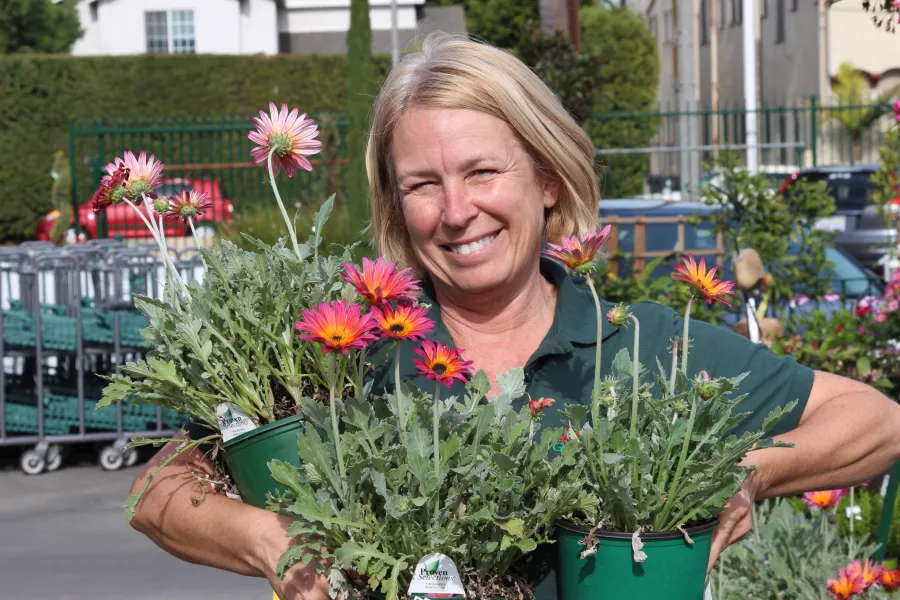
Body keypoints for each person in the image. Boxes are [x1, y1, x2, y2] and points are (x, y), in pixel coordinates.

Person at [128, 33, 900, 600]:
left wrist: (742, 476)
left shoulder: (641, 346)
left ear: (547, 180)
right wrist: (273, 541)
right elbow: (161, 489)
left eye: (482, 172)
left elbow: (876, 421)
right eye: (422, 184)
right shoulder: (347, 356)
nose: (456, 211)